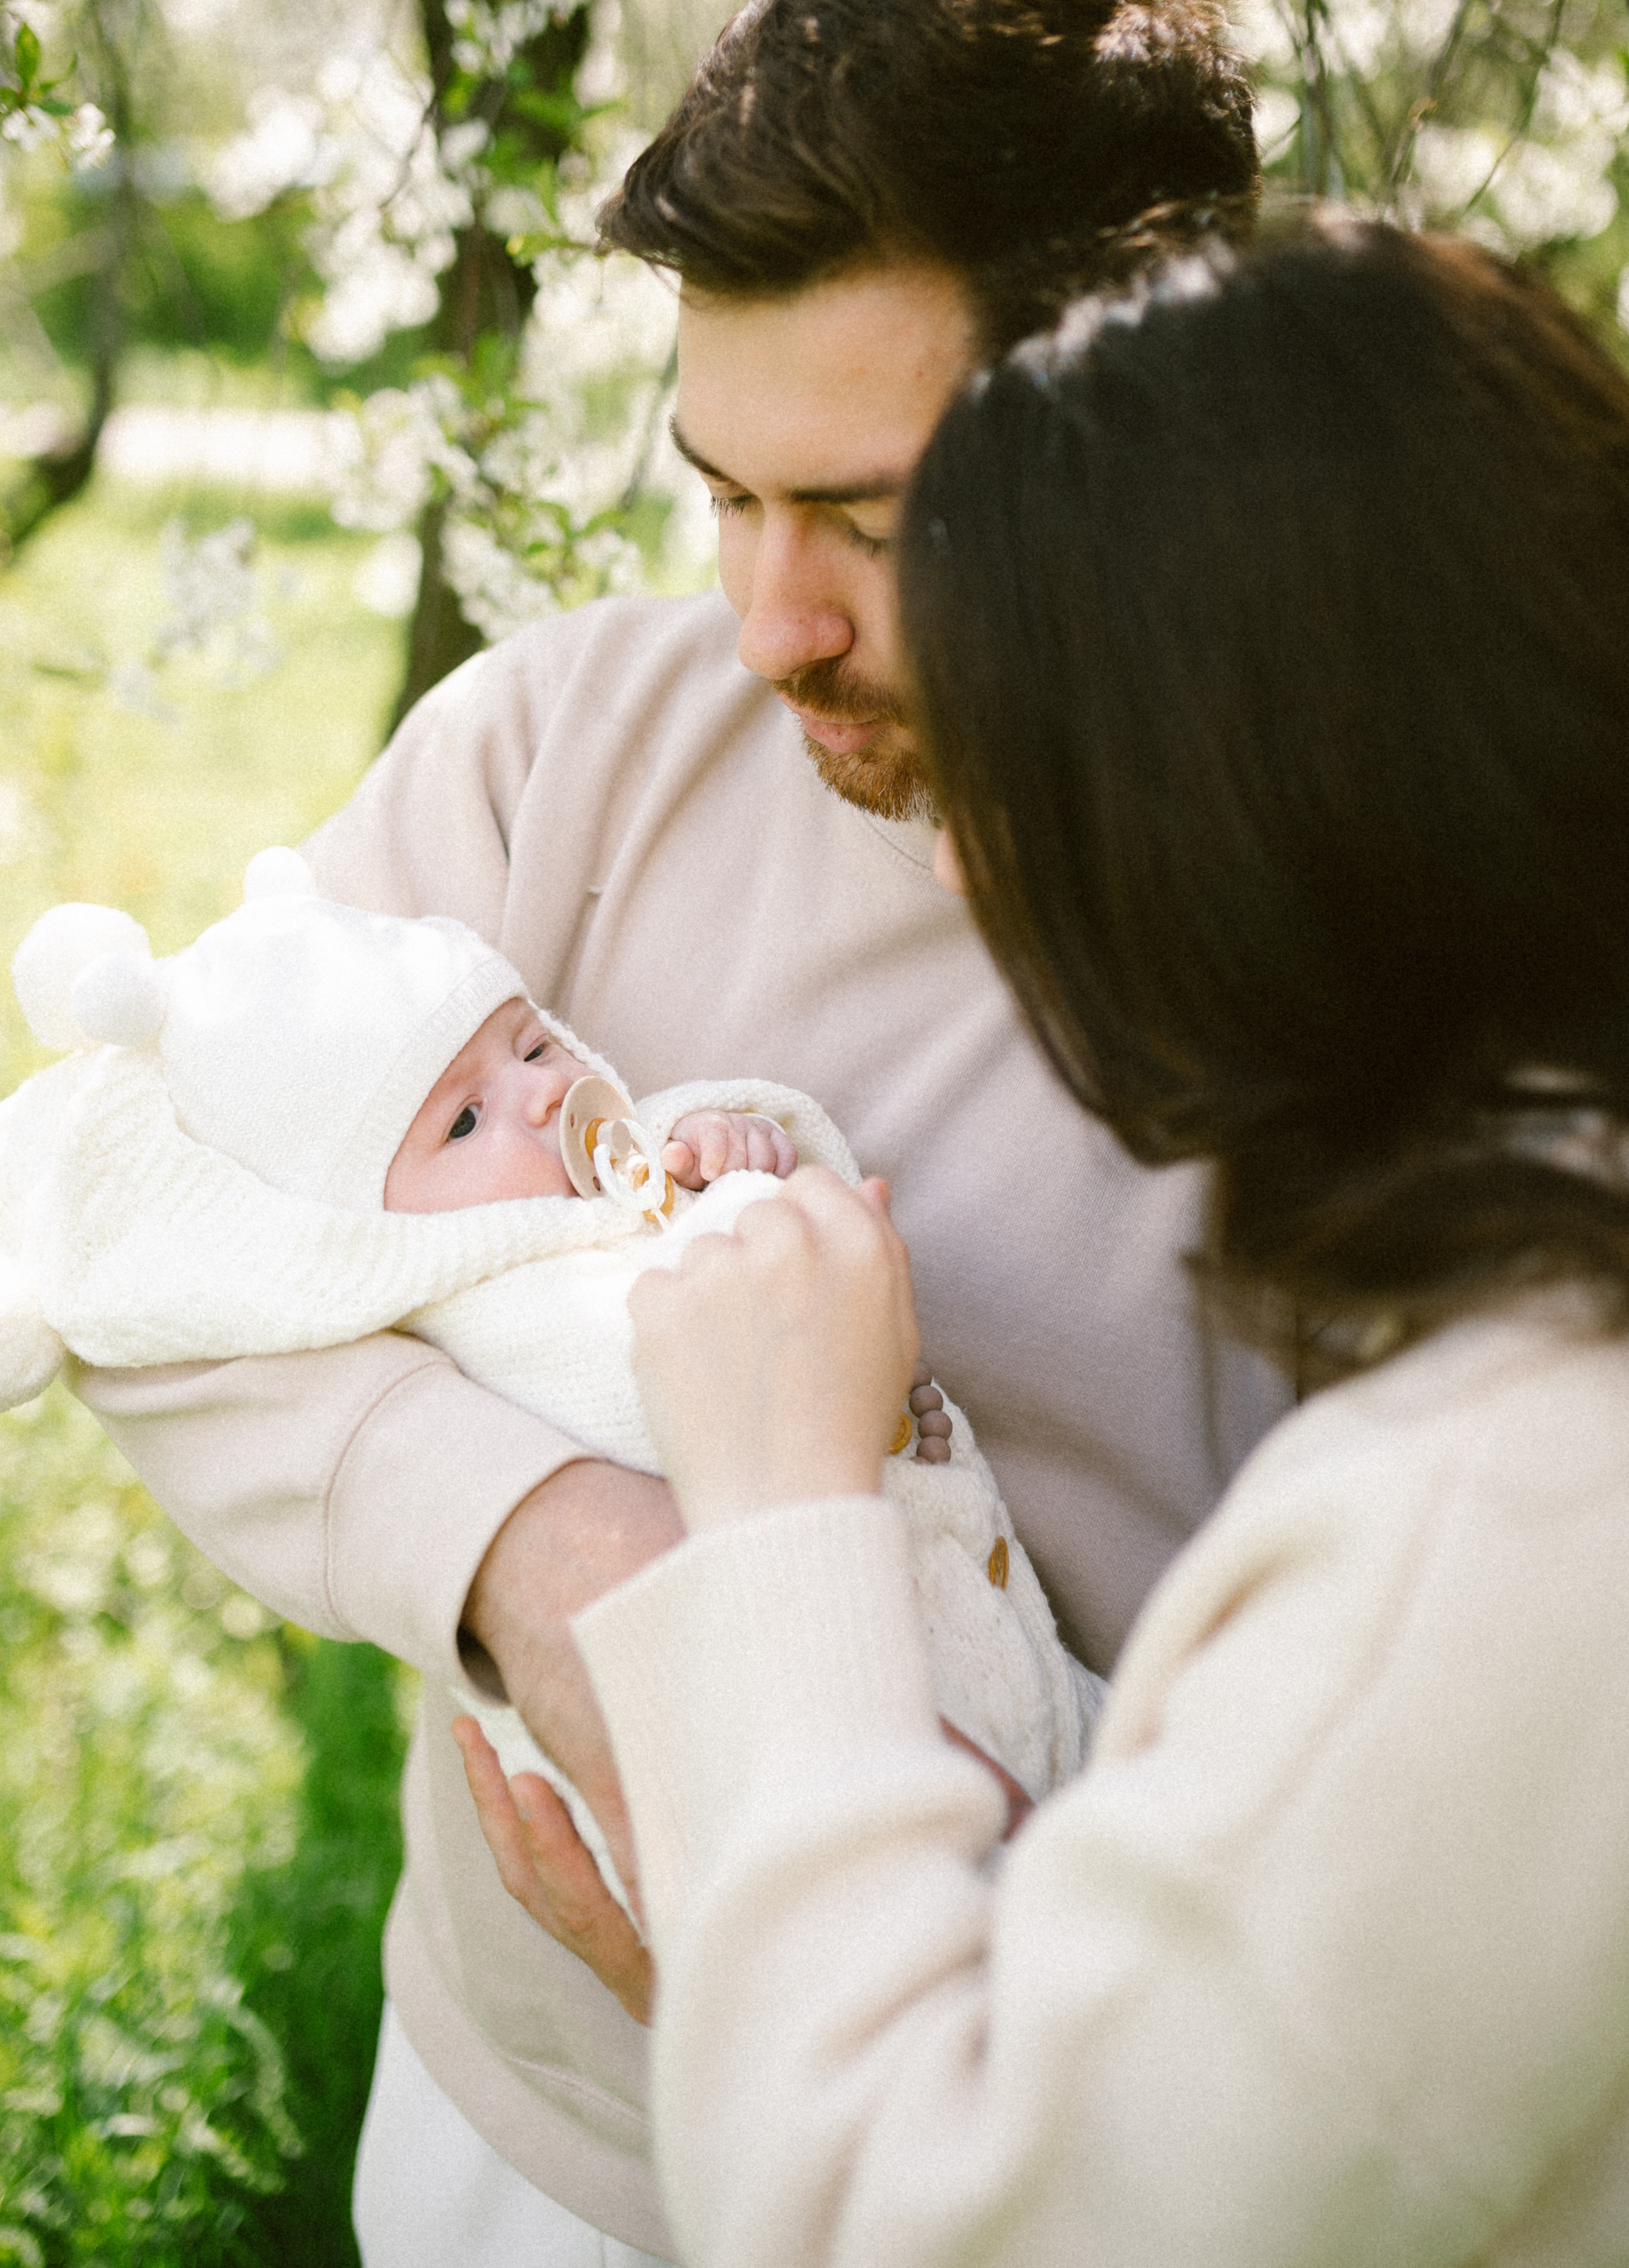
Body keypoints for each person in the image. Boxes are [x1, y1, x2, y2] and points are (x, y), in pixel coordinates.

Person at [71, 0, 1282, 2266]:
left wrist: (864, 1932)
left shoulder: (1369, 945)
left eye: (869, 516)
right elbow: (138, 1230)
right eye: (725, 491)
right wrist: (558, 1569)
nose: (768, 625)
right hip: (521, 2135)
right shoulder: (560, 750)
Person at [504, 217, 1629, 2265]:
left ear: (1246, 805)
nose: (954, 848)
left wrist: (777, 1511)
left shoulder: (1508, 1520)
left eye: (1021, 764)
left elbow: (922, 2232)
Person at [0, 856, 1093, 1915]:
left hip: (1007, 1652)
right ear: (361, 1233)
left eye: (533, 1047)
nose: (543, 1097)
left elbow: (717, 1186)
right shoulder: (491, 1311)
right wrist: (741, 1228)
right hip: (839, 1730)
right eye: (463, 1119)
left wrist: (736, 1150)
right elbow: (659, 1390)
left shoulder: (618, 1183)